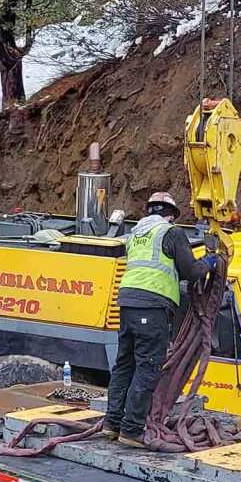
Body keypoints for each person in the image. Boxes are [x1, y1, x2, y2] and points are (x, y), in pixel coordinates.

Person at [102, 190, 205, 447]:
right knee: (147, 367)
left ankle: (111, 424)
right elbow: (191, 272)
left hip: (126, 305)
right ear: (171, 215)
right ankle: (132, 430)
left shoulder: (136, 234)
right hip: (152, 307)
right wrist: (212, 262)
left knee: (124, 365)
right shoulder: (171, 232)